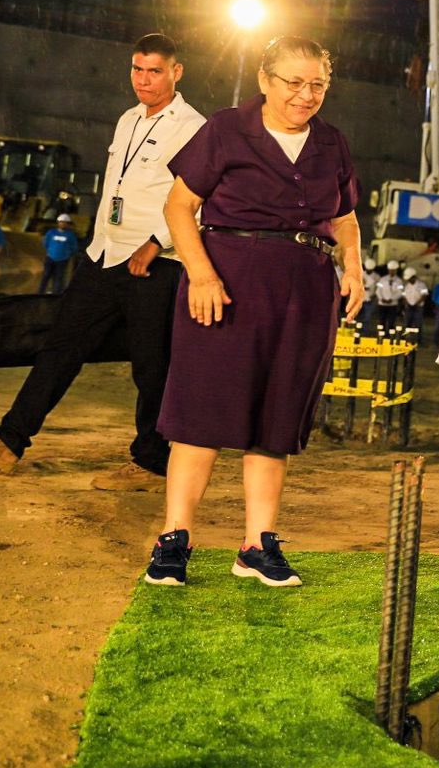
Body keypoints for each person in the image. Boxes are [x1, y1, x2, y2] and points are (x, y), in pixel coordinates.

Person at [143, 36, 364, 588]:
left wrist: (355, 270)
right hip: (225, 282)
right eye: (293, 82)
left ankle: (257, 545)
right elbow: (179, 206)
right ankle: (175, 539)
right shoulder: (225, 129)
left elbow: (346, 217)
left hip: (306, 290)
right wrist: (200, 273)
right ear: (265, 80)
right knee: (201, 413)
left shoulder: (331, 143)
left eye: (317, 84)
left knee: (276, 416)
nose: (305, 94)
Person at [0, 34, 205, 488]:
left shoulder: (193, 127)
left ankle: (149, 462)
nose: (143, 81)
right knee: (59, 348)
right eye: (136, 69)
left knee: (151, 366)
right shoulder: (127, 119)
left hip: (155, 262)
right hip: (104, 254)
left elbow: (199, 197)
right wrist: (98, 240)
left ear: (176, 72)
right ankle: (8, 442)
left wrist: (156, 242)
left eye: (154, 71)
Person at [39, 213, 80, 294]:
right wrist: (50, 251)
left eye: (65, 222)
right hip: (50, 258)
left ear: (68, 224)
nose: (63, 224)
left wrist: (67, 254)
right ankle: (40, 292)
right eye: (61, 222)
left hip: (62, 260)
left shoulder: (70, 235)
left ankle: (55, 294)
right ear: (58, 223)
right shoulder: (51, 232)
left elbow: (74, 247)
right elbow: (45, 243)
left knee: (58, 278)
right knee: (45, 276)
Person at [373, 259, 405, 335]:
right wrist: (381, 298)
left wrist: (392, 299)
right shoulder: (383, 279)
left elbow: (400, 292)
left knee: (391, 322)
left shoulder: (399, 281)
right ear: (388, 270)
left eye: (393, 270)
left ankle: (390, 337)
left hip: (392, 305)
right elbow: (378, 290)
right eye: (391, 270)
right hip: (382, 304)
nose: (392, 272)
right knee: (382, 321)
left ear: (396, 270)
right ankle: (381, 336)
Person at [401, 267, 429, 335]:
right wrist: (407, 304)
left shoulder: (422, 285)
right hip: (408, 307)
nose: (408, 280)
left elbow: (424, 295)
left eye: (409, 279)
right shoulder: (406, 285)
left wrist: (417, 304)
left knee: (418, 324)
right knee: (407, 323)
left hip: (418, 308)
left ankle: (418, 339)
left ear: (413, 277)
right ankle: (406, 338)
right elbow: (404, 295)